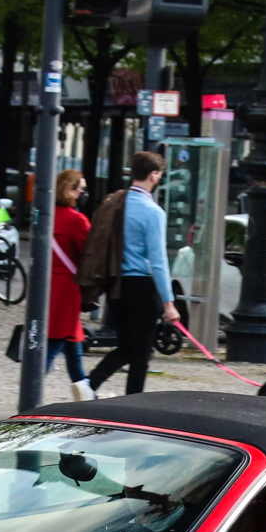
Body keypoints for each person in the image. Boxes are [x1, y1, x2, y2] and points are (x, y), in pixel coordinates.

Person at [82, 151, 181, 396]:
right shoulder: (152, 211)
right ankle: (132, 401)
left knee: (126, 346)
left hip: (115, 285)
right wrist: (169, 303)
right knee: (141, 352)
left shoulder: (115, 204)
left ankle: (89, 384)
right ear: (153, 175)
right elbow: (158, 261)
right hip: (142, 287)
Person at [45, 169, 94, 399]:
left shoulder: (47, 214)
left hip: (49, 283)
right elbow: (89, 252)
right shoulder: (77, 220)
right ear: (71, 190)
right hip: (67, 287)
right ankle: (32, 389)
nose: (83, 193)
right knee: (56, 341)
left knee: (72, 345)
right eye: (80, 188)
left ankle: (86, 395)